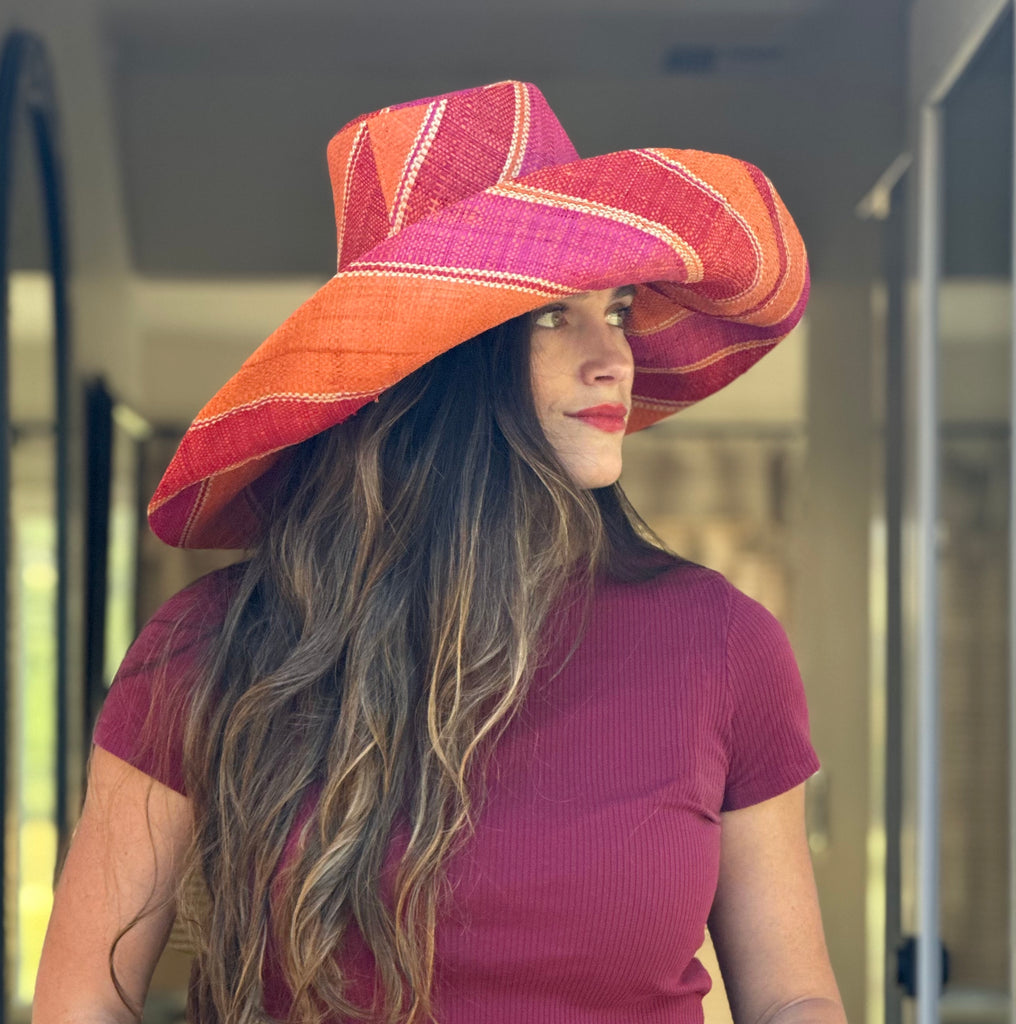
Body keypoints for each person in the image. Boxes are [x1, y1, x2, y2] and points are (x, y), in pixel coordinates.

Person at [34, 80, 844, 1024]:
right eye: (553, 315)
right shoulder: (212, 644)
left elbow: (792, 995)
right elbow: (83, 999)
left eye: (616, 310)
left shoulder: (722, 641)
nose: (613, 356)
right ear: (434, 357)